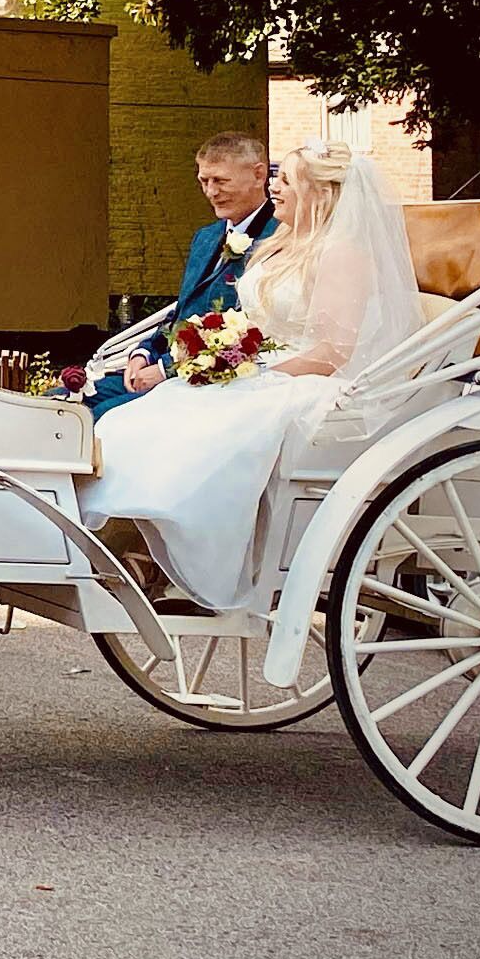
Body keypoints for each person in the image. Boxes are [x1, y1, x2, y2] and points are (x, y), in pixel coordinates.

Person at [77, 144, 423, 611]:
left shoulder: (343, 254)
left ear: (317, 192)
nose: (275, 187)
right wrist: (225, 355)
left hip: (307, 379)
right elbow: (244, 324)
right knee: (136, 419)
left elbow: (331, 354)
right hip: (263, 369)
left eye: (286, 179)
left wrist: (247, 370)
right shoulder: (283, 245)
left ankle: (160, 554)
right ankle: (131, 541)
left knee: (195, 425)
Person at [82, 132, 276, 416]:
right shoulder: (206, 237)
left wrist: (164, 369)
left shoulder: (280, 239)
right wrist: (143, 352)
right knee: (62, 403)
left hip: (219, 379)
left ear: (259, 175)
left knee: (103, 417)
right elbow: (183, 311)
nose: (211, 192)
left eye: (220, 180)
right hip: (164, 364)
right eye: (204, 181)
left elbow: (251, 331)